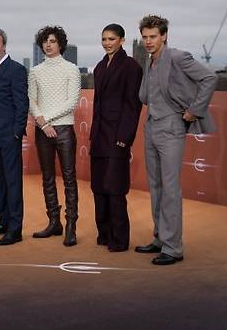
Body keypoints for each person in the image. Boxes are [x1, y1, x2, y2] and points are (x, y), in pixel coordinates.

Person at [135, 15, 217, 265]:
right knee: (156, 186)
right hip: (151, 126)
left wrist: (194, 110)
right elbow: (147, 95)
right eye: (145, 37)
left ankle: (173, 248)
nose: (148, 41)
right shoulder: (149, 60)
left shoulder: (179, 57)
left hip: (172, 126)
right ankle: (160, 238)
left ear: (164, 36)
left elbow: (209, 78)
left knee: (170, 188)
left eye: (153, 36)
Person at [90, 24, 143, 252]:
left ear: (121, 40)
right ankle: (104, 234)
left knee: (115, 188)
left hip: (117, 136)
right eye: (104, 39)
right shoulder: (100, 66)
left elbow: (133, 105)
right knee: (98, 187)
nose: (107, 42)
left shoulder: (131, 66)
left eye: (111, 38)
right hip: (99, 136)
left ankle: (119, 240)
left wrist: (124, 137)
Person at [29, 25, 81, 246]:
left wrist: (46, 120)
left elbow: (72, 102)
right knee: (47, 178)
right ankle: (54, 222)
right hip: (43, 131)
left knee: (69, 178)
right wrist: (42, 123)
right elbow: (32, 100)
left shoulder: (72, 69)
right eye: (45, 41)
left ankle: (71, 226)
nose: (48, 45)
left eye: (52, 41)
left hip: (63, 130)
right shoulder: (35, 71)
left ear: (60, 44)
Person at [0, 27, 29, 246]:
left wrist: (17, 133)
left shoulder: (16, 69)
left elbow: (22, 104)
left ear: (4, 45)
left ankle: (15, 228)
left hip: (9, 136)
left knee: (12, 182)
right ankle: (3, 220)